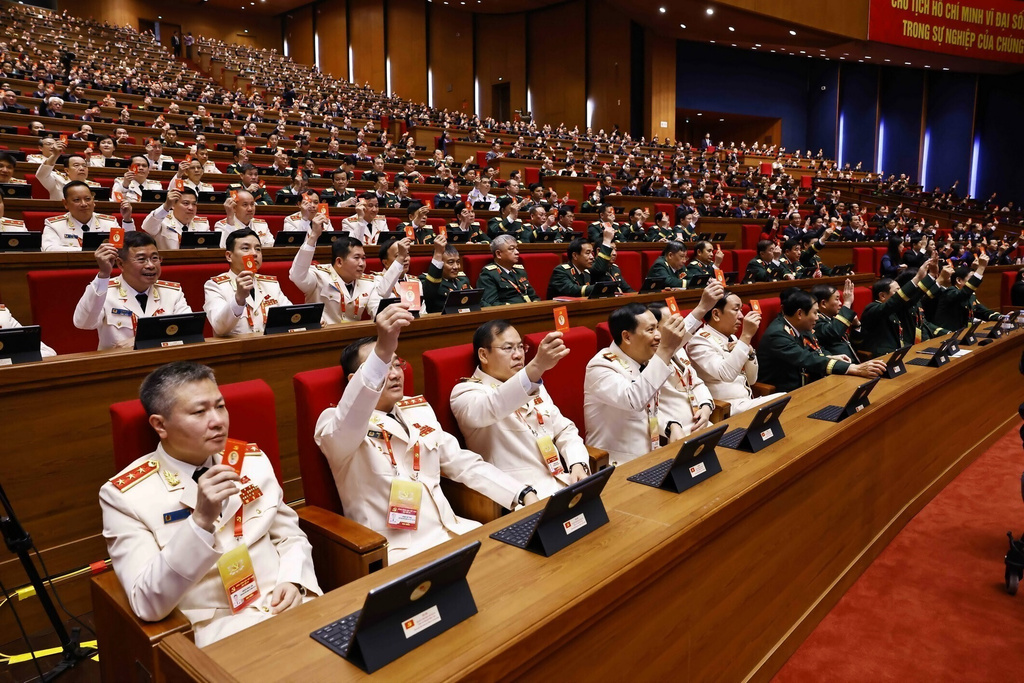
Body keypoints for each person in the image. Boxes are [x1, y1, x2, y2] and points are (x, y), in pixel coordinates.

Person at [100, 361, 320, 647]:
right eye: (199, 411)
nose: (218, 420)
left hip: (287, 604)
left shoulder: (250, 459)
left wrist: (293, 580)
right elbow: (147, 603)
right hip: (219, 632)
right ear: (160, 425)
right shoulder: (125, 496)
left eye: (220, 406)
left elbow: (289, 535)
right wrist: (200, 522)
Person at [314, 306, 537, 563]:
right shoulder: (333, 423)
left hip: (453, 532)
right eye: (385, 366)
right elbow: (350, 416)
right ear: (356, 379)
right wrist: (383, 349)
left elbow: (461, 463)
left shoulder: (417, 410)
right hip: (398, 553)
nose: (396, 373)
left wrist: (520, 492)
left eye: (397, 364)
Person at [583, 283, 723, 464]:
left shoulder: (642, 355)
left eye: (658, 328)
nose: (659, 335)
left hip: (655, 454)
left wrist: (671, 425)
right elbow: (634, 400)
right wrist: (665, 349)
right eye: (651, 330)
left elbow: (676, 340)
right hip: (619, 464)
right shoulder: (601, 366)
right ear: (627, 337)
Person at [451, 320, 590, 499]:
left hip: (563, 484)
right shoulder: (466, 393)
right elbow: (494, 405)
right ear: (484, 355)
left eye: (520, 347)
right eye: (508, 348)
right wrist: (536, 366)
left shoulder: (531, 383)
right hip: (522, 498)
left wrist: (578, 463)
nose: (518, 355)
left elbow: (564, 429)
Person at [73, 232, 191, 350]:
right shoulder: (104, 291)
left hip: (163, 364)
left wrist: (142, 341)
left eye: (155, 258)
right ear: (121, 263)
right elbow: (83, 323)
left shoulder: (172, 292)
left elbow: (189, 332)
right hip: (118, 364)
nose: (150, 265)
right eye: (141, 259)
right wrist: (104, 274)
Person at [756, 289, 887, 392]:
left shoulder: (795, 325)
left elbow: (810, 353)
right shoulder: (777, 334)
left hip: (805, 386)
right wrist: (854, 368)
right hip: (785, 394)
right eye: (815, 313)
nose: (818, 318)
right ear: (800, 314)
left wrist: (830, 357)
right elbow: (805, 358)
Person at [686, 292, 785, 416]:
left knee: (787, 401)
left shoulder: (731, 337)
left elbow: (752, 380)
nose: (741, 316)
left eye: (741, 310)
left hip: (746, 402)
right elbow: (726, 374)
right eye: (736, 310)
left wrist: (750, 354)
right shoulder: (699, 341)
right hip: (725, 408)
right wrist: (746, 337)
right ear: (716, 314)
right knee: (785, 400)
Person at [204, 228, 293, 336]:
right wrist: (238, 299)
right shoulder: (215, 286)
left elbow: (290, 317)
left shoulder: (271, 284)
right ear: (229, 256)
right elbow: (220, 328)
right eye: (246, 248)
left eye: (258, 249)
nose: (254, 253)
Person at [647, 303, 716, 440]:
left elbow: (696, 382)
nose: (679, 327)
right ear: (655, 329)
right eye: (672, 323)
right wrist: (670, 426)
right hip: (674, 434)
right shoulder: (648, 359)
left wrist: (706, 406)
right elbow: (646, 408)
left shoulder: (679, 351)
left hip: (701, 422)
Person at [289, 217, 376, 323]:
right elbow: (297, 275)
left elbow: (376, 307)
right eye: (356, 258)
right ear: (339, 262)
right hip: (322, 336)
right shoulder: (319, 276)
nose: (362, 264)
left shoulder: (368, 282)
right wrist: (313, 236)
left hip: (355, 335)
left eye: (363, 258)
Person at [858, 257, 937, 357]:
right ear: (882, 295)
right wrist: (917, 278)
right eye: (896, 292)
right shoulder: (872, 308)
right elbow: (893, 303)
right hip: (882, 356)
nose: (900, 295)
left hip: (900, 351)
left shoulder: (895, 307)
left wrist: (931, 276)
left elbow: (913, 298)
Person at [43, 181, 134, 252]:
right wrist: (90, 250)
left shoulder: (109, 222)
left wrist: (127, 220)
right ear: (65, 203)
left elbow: (129, 246)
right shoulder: (54, 225)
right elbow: (49, 249)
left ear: (93, 201)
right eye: (77, 200)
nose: (84, 204)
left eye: (87, 199)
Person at [932, 254, 999, 330]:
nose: (972, 282)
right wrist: (981, 268)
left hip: (962, 333)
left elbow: (983, 311)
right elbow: (964, 293)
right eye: (971, 278)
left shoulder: (971, 296)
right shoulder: (950, 292)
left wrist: (1001, 317)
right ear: (959, 280)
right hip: (946, 336)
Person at [141, 188, 211, 250]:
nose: (191, 208)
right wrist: (166, 206)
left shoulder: (202, 224)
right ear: (173, 205)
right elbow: (147, 227)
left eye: (194, 204)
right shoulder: (161, 220)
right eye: (186, 203)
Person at [478, 234, 539, 306]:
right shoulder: (489, 274)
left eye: (517, 248)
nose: (517, 252)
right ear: (498, 254)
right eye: (511, 249)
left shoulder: (520, 271)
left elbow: (533, 296)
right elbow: (492, 303)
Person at [420, 235, 472, 313]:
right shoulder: (426, 280)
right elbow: (429, 294)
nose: (456, 267)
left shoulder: (463, 279)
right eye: (450, 262)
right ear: (440, 262)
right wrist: (438, 255)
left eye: (458, 262)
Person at [812, 280, 861, 361]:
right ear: (823, 303)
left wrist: (856, 326)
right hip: (838, 369)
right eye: (837, 299)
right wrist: (847, 303)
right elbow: (834, 332)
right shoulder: (815, 321)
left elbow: (858, 344)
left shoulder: (833, 319)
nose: (841, 303)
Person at [37, 139, 102, 200]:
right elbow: (41, 175)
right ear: (67, 170)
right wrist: (55, 155)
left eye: (84, 166)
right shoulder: (57, 181)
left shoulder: (95, 186)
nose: (82, 168)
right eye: (76, 165)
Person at [591, 226, 635, 293]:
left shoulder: (615, 268)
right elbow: (600, 268)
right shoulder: (592, 266)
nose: (615, 253)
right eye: (611, 249)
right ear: (598, 251)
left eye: (615, 250)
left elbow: (627, 289)